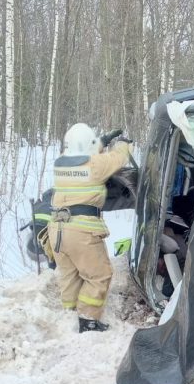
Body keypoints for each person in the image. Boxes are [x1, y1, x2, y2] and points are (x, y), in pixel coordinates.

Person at [48, 123, 132, 333]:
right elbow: (118, 158)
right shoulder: (95, 166)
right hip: (81, 231)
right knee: (99, 275)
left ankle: (69, 315)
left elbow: (83, 154)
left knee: (70, 274)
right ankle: (88, 319)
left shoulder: (60, 164)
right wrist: (123, 144)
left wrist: (101, 141)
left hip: (57, 230)